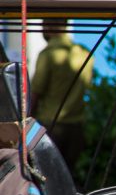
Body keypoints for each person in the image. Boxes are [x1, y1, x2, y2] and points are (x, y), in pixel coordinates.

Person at [30, 18, 93, 170]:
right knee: (69, 176)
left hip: (51, 126)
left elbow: (36, 92)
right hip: (76, 128)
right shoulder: (84, 53)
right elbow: (88, 85)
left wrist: (27, 121)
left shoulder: (48, 55)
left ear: (48, 26)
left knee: (47, 175)